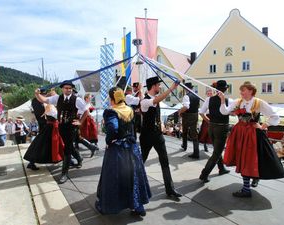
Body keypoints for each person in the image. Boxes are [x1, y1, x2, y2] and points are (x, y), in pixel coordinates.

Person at [219, 81, 284, 197]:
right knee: (243, 158)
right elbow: (224, 111)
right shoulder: (238, 102)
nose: (241, 92)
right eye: (241, 90)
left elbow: (275, 116)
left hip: (252, 134)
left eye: (243, 90)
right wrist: (222, 99)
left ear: (250, 91)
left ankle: (246, 189)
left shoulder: (259, 103)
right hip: (239, 132)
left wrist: (263, 125)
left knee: (249, 159)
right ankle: (250, 183)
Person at [95, 87, 151, 216]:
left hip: (118, 150)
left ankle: (114, 205)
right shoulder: (130, 109)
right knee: (133, 176)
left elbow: (113, 129)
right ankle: (137, 206)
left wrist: (109, 142)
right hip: (132, 148)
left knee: (115, 178)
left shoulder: (111, 112)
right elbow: (133, 129)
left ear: (112, 98)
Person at [35, 80, 88, 183]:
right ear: (62, 89)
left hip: (71, 127)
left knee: (67, 149)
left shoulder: (77, 99)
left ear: (72, 89)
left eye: (70, 88)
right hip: (61, 127)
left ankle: (64, 173)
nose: (68, 89)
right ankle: (79, 158)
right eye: (66, 88)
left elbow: (86, 110)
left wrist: (80, 122)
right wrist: (37, 94)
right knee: (69, 146)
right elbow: (44, 100)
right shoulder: (57, 98)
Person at [140, 76, 182, 198]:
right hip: (147, 136)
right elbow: (157, 100)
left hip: (157, 135)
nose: (159, 87)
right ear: (153, 86)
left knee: (165, 161)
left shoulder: (154, 100)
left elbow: (156, 113)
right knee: (141, 161)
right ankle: (133, 185)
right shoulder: (145, 101)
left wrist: (161, 125)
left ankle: (170, 189)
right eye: (158, 85)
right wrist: (172, 88)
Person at [198, 80, 231, 183]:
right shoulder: (228, 100)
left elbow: (201, 112)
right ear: (226, 89)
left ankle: (221, 168)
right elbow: (232, 112)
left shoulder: (209, 99)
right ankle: (204, 174)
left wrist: (209, 121)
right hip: (221, 128)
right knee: (217, 152)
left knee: (217, 150)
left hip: (211, 127)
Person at [179, 82, 200, 159]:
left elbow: (186, 107)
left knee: (185, 131)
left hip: (187, 115)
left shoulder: (186, 96)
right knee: (194, 133)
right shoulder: (197, 96)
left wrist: (180, 111)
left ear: (185, 88)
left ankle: (184, 145)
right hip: (195, 115)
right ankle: (196, 151)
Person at [198, 88, 213, 152]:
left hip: (213, 117)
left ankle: (212, 146)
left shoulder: (215, 99)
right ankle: (205, 144)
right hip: (207, 116)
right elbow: (202, 111)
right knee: (205, 131)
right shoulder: (207, 100)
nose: (209, 94)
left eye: (210, 93)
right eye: (208, 93)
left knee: (212, 132)